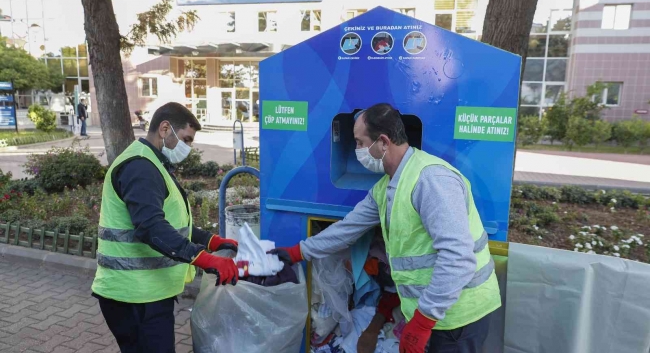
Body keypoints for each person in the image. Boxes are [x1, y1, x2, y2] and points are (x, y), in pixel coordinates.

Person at [271, 103, 501, 353]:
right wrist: (297, 252)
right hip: (434, 313)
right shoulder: (388, 186)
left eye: (360, 143)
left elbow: (458, 258)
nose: (357, 150)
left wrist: (423, 321)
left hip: (459, 315)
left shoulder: (431, 181)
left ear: (382, 141)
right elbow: (348, 228)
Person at [91, 102, 239, 353]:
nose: (188, 148)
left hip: (144, 293)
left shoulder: (152, 162)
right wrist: (203, 258)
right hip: (134, 297)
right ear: (164, 128)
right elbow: (151, 228)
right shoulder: (140, 166)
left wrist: (211, 240)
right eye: (186, 139)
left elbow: (171, 225)